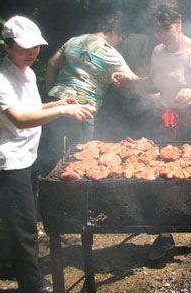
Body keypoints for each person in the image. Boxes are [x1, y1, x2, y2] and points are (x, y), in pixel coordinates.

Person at [0, 16, 94, 293]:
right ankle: (31, 282)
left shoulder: (28, 73)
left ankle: (4, 265)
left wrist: (57, 103)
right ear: (7, 47)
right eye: (23, 47)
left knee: (14, 216)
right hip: (7, 162)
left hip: (24, 157)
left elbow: (31, 108)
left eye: (35, 47)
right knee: (25, 224)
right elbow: (19, 119)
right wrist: (61, 111)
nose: (31, 53)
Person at [112, 0, 191, 261]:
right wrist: (130, 82)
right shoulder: (158, 52)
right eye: (156, 29)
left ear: (179, 22)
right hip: (168, 121)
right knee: (162, 177)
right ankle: (164, 234)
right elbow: (155, 84)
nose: (161, 35)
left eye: (166, 28)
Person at [38, 10, 141, 173]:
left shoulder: (75, 40)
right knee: (77, 159)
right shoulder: (109, 53)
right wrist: (159, 92)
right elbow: (135, 82)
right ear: (114, 31)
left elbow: (51, 64)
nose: (121, 41)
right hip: (82, 109)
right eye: (122, 37)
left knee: (54, 150)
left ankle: (46, 182)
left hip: (55, 103)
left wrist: (51, 94)